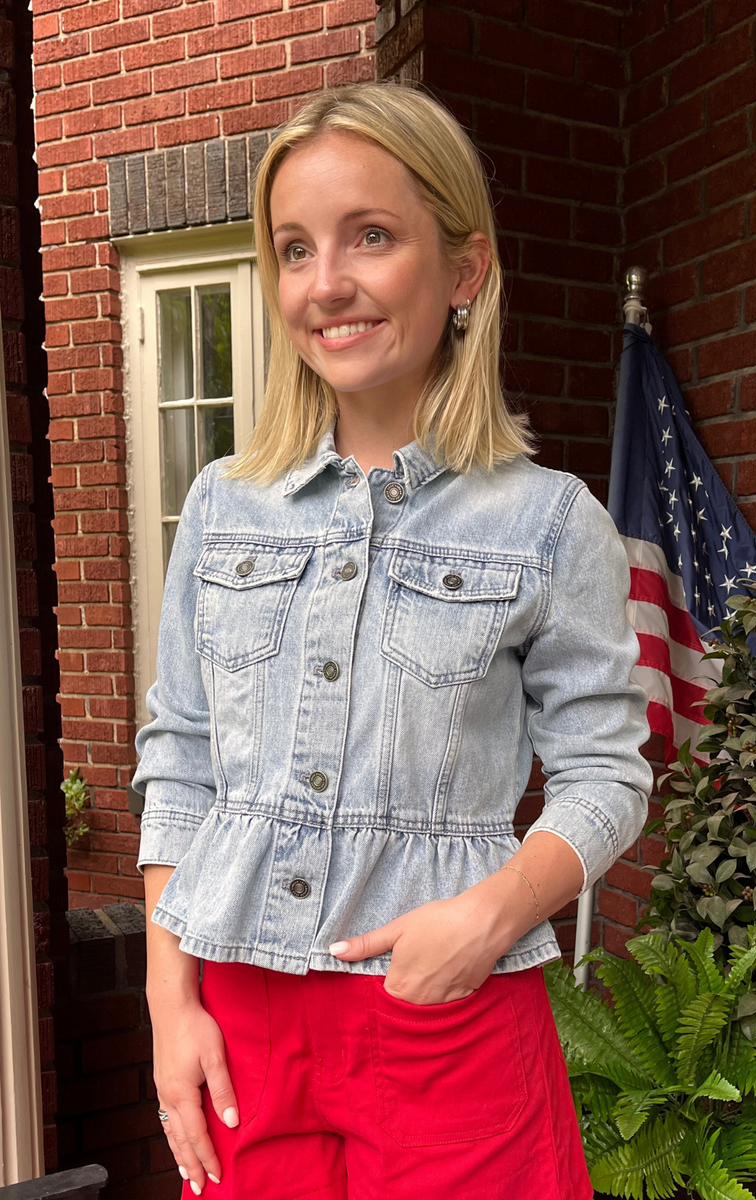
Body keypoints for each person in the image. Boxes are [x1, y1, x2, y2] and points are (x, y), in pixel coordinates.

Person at [131, 80, 653, 1200]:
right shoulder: (222, 504)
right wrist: (169, 1003)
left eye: (371, 236)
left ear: (463, 270)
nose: (328, 284)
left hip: (446, 1010)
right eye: (294, 248)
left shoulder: (551, 522)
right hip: (240, 1011)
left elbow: (607, 775)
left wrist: (492, 913)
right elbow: (179, 761)